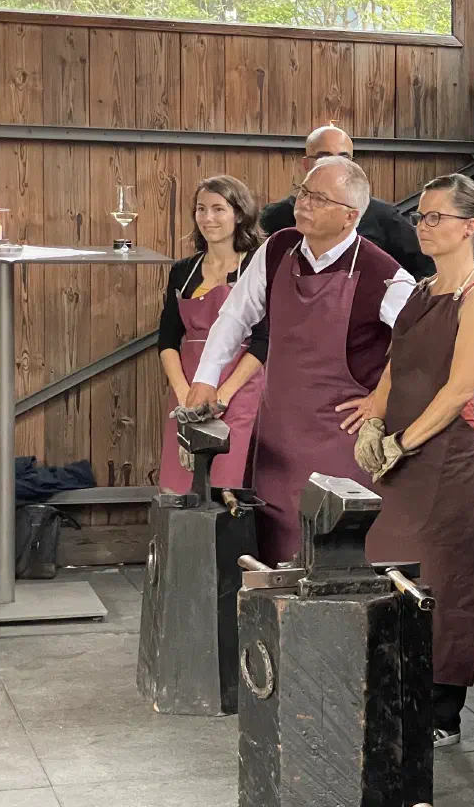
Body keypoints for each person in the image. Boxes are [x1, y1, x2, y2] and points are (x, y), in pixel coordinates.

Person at [185, 156, 416, 565]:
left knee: (331, 555)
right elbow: (235, 315)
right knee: (271, 553)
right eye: (303, 192)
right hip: (277, 436)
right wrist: (205, 378)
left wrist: (379, 402)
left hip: (341, 443)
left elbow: (421, 349)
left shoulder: (386, 275)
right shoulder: (277, 249)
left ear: (350, 216)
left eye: (318, 198)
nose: (303, 203)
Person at [353, 174, 474, 748]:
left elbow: (456, 389)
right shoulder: (421, 290)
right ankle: (394, 691)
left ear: (469, 227)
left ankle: (441, 712)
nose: (424, 225)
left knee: (442, 586)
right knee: (388, 573)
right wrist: (374, 417)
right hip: (402, 459)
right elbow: (397, 365)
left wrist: (402, 442)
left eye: (436, 217)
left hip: (444, 464)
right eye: (421, 217)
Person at [156, 175, 267, 495]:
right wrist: (183, 393)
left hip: (239, 388)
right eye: (201, 209)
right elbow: (167, 338)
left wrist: (222, 397)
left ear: (240, 214)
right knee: (178, 488)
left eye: (218, 209)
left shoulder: (256, 269)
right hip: (187, 388)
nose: (208, 218)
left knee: (225, 487)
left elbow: (263, 341)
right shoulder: (182, 270)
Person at [258, 123, 434, 279]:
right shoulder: (278, 219)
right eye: (324, 156)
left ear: (352, 216)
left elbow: (425, 267)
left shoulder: (384, 217)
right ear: (306, 164)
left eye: (343, 157)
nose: (335, 163)